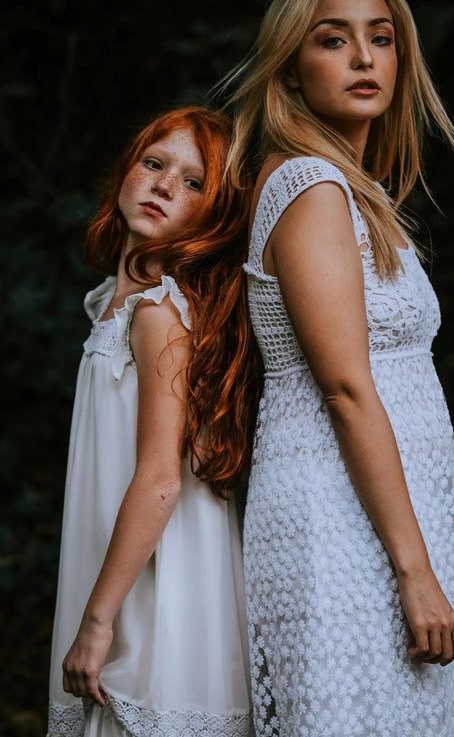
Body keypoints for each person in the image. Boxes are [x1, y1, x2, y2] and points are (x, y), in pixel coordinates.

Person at [221, 0, 454, 736]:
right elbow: (345, 388)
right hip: (341, 525)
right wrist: (413, 572)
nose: (362, 57)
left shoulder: (350, 191)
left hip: (388, 519)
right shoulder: (311, 188)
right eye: (332, 39)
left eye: (379, 39)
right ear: (291, 65)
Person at [47, 106, 260, 737]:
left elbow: (162, 478)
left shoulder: (159, 310)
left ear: (215, 214)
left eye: (195, 183)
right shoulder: (109, 303)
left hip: (154, 592)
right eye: (155, 163)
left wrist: (97, 620)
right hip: (115, 570)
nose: (166, 185)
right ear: (126, 171)